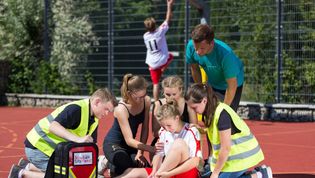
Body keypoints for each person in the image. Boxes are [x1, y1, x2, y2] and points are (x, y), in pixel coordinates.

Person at [8, 88, 118, 178]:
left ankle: (28, 166)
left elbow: (89, 147)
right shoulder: (76, 109)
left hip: (50, 151)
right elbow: (53, 127)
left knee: (73, 172)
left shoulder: (94, 119)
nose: (107, 113)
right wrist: (77, 139)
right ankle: (21, 173)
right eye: (106, 109)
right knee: (65, 175)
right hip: (37, 148)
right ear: (97, 102)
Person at [185, 83, 273, 178]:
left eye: (194, 107)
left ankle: (261, 175)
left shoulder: (222, 114)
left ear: (204, 101)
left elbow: (225, 148)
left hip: (241, 157)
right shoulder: (209, 111)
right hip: (230, 159)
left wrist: (215, 173)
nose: (193, 111)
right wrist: (203, 130)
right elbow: (216, 133)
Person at [116, 100, 203, 178]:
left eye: (169, 125)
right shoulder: (163, 131)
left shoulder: (191, 131)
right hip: (166, 172)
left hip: (186, 172)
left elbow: (196, 161)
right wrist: (154, 171)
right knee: (132, 172)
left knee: (179, 143)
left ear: (177, 118)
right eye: (163, 126)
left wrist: (168, 173)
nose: (167, 129)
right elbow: (159, 154)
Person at [100, 74, 155, 177]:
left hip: (130, 146)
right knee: (124, 164)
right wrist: (151, 148)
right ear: (129, 93)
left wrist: (140, 153)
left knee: (144, 166)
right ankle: (104, 162)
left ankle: (113, 167)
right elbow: (129, 139)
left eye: (144, 95)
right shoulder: (121, 109)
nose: (142, 99)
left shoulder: (146, 101)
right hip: (114, 144)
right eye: (139, 97)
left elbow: (145, 129)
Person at [186, 24, 244, 111]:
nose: (197, 52)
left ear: (211, 43)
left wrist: (224, 110)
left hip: (232, 84)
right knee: (209, 114)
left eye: (201, 48)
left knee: (226, 117)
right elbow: (195, 69)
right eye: (195, 48)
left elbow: (232, 84)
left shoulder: (226, 55)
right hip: (213, 83)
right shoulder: (190, 46)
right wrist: (201, 90)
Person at [151, 75, 198, 146]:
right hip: (164, 141)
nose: (171, 97)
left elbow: (194, 128)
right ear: (163, 92)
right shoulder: (158, 105)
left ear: (181, 90)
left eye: (174, 94)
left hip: (184, 140)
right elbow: (155, 132)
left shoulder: (188, 104)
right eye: (168, 94)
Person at [143, 0, 174, 102]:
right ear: (155, 25)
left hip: (152, 63)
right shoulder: (160, 32)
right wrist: (169, 5)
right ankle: (163, 68)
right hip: (162, 60)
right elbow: (168, 20)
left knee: (155, 84)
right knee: (171, 56)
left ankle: (156, 103)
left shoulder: (145, 36)